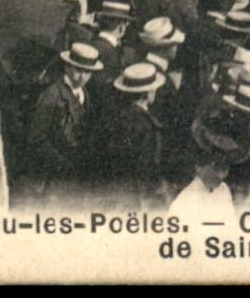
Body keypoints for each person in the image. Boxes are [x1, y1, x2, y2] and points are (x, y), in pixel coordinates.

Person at [22, 41, 103, 205]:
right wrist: (64, 165)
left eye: (88, 72)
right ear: (68, 67)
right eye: (79, 70)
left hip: (78, 177)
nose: (83, 77)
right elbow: (36, 140)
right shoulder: (52, 95)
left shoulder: (84, 93)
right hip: (56, 179)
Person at [100, 62, 169, 208]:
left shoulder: (116, 116)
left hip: (113, 190)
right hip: (137, 195)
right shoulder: (147, 124)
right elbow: (149, 165)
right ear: (148, 93)